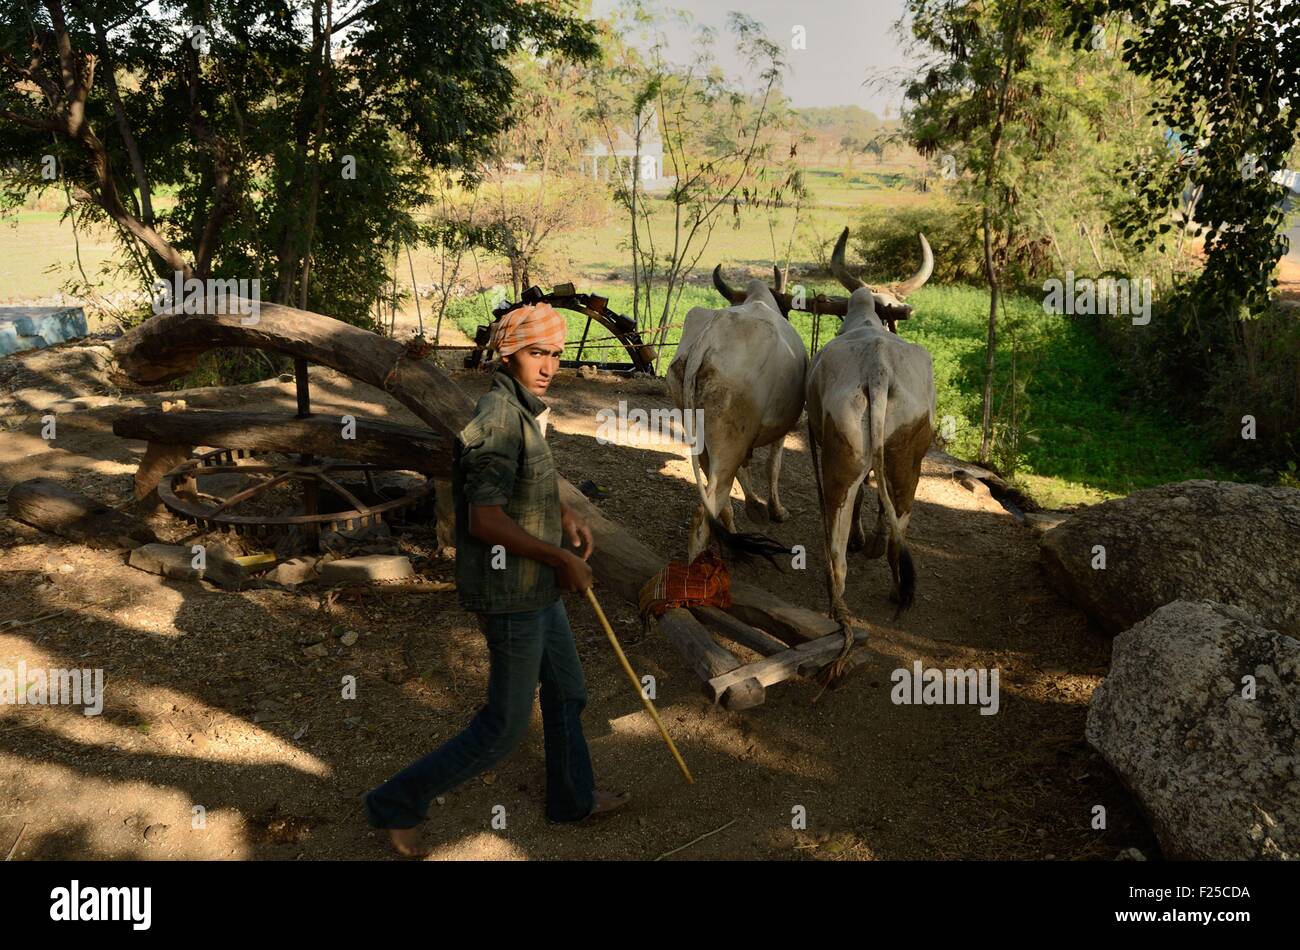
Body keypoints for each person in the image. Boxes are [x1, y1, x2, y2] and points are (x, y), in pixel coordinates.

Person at [363, 302, 630, 857]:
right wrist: (560, 559)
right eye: (537, 353)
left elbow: (522, 480)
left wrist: (563, 512)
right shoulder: (497, 419)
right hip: (511, 593)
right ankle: (396, 801)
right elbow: (484, 519)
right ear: (509, 354)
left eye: (555, 354)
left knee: (568, 690)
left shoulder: (521, 410)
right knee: (505, 728)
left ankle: (571, 799)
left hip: (534, 585)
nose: (548, 365)